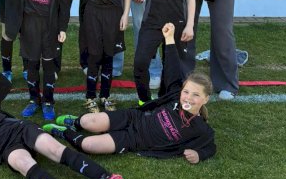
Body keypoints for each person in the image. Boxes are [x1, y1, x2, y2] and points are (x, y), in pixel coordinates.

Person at [44, 23, 216, 164]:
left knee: (88, 145)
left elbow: (211, 146)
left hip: (134, 139)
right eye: (186, 91)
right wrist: (169, 38)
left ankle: (64, 132)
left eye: (196, 95)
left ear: (206, 99)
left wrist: (199, 154)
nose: (188, 97)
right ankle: (75, 122)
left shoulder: (202, 129)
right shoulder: (175, 95)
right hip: (133, 118)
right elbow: (172, 69)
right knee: (88, 121)